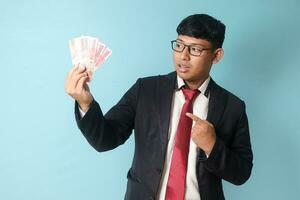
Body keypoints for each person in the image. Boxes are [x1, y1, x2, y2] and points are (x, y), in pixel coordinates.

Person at [65, 14, 253, 200]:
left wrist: (212, 146)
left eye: (195, 49)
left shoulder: (232, 107)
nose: (183, 56)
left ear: (216, 55)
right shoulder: (145, 90)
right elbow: (105, 140)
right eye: (179, 45)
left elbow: (241, 173)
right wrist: (85, 102)